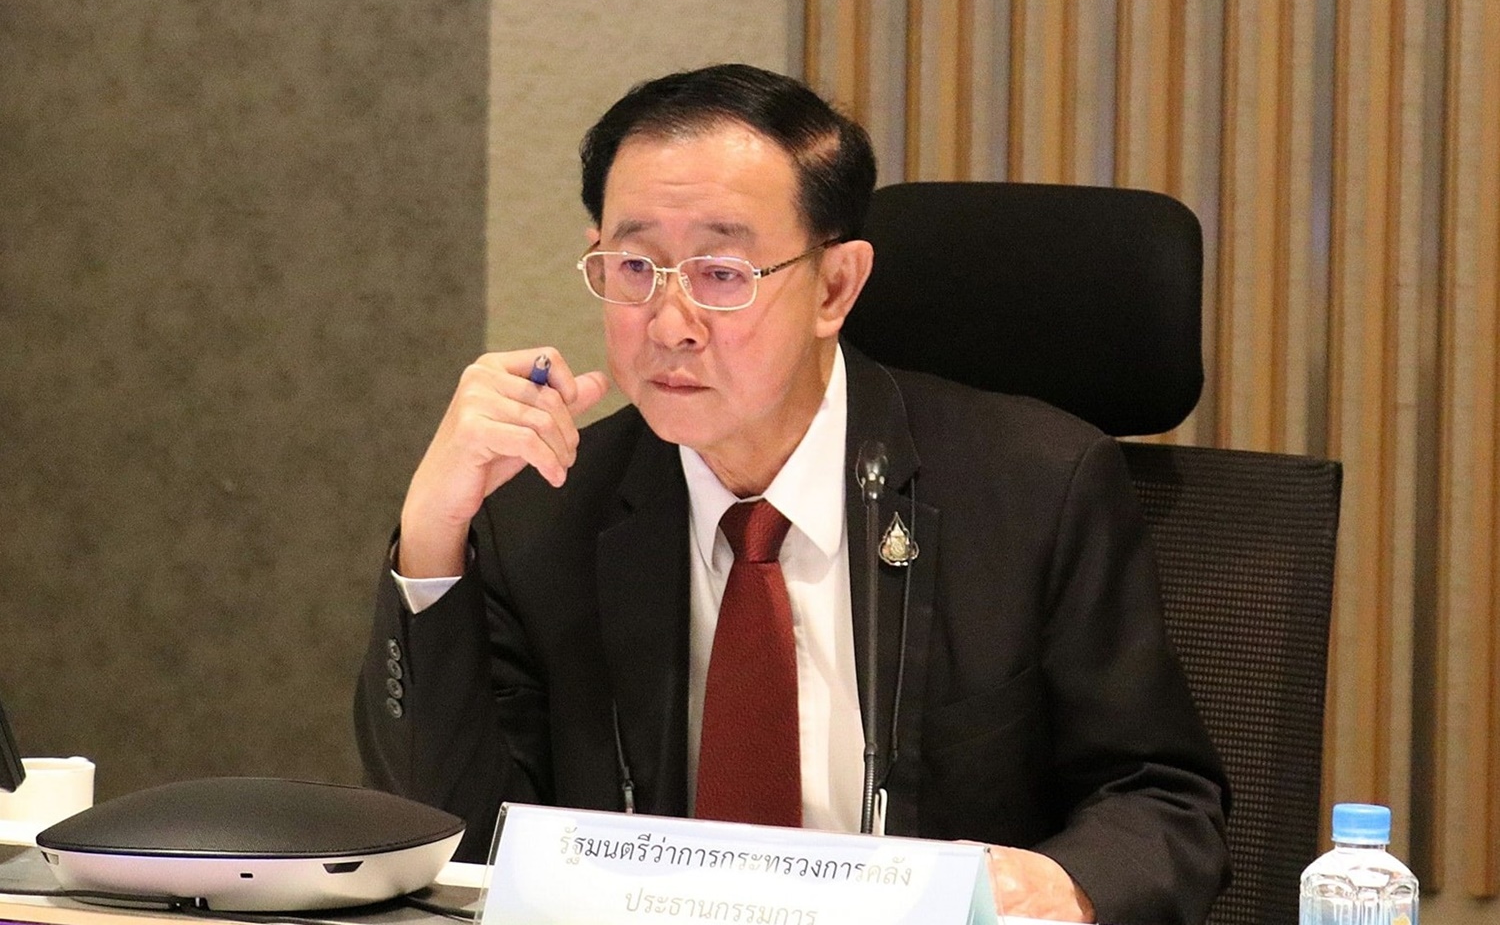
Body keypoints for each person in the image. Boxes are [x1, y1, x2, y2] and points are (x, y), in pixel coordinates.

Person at [355, 63, 1229, 925]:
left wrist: (1060, 886)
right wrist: (433, 533)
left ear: (834, 287)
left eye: (721, 273)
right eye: (635, 267)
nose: (670, 324)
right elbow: (454, 842)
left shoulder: (1034, 490)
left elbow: (1161, 801)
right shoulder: (544, 509)